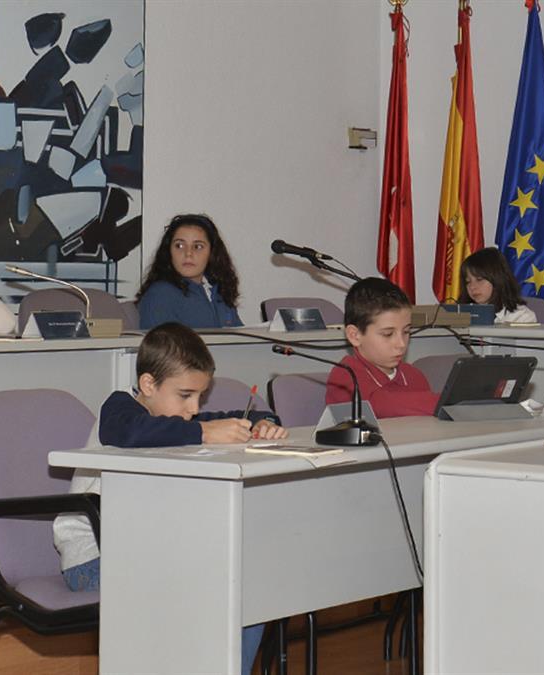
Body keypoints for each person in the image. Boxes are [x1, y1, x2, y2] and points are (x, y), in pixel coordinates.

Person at [53, 323, 287, 675]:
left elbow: (227, 418)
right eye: (185, 395)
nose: (193, 408)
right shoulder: (118, 410)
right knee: (214, 588)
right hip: (94, 559)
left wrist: (263, 421)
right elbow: (131, 433)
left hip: (152, 554)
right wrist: (204, 432)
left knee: (248, 587)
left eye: (200, 397)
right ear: (148, 385)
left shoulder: (176, 418)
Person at [326, 277, 439, 418]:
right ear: (355, 336)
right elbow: (377, 405)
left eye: (406, 332)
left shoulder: (414, 375)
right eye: (388, 334)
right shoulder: (345, 375)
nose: (401, 344)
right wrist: (445, 402)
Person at [136, 214, 244, 330]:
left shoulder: (219, 292)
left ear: (212, 252)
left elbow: (242, 338)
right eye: (179, 245)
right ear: (168, 251)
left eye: (198, 246)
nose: (188, 253)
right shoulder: (159, 295)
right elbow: (162, 341)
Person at [458, 247, 537, 324]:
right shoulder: (460, 314)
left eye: (479, 279)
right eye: (468, 282)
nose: (472, 287)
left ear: (497, 279)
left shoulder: (522, 317)